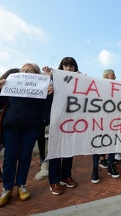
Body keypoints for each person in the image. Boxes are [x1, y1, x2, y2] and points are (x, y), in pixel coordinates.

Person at [0, 63, 53, 208]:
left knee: (25, 157)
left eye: (29, 71)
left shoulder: (40, 88)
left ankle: (21, 185)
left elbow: (46, 108)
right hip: (11, 127)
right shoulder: (10, 85)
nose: (25, 72)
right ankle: (7, 189)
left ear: (35, 75)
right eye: (23, 70)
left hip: (31, 128)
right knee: (9, 158)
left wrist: (49, 95)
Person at [43, 57, 79, 195]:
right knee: (56, 150)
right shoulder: (52, 80)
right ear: (61, 67)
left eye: (71, 66)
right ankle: (54, 180)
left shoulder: (79, 81)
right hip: (57, 120)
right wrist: (49, 85)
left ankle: (66, 176)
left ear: (75, 68)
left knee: (69, 149)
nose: (68, 69)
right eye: (65, 66)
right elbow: (46, 103)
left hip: (72, 121)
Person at [91, 69, 119, 183]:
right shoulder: (97, 85)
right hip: (98, 121)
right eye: (113, 75)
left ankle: (111, 165)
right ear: (106, 76)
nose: (115, 77)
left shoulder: (118, 87)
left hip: (112, 121)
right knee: (96, 144)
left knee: (112, 142)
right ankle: (95, 169)